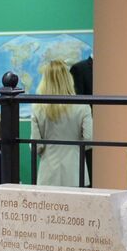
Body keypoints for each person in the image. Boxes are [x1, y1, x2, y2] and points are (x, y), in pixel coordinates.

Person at [32, 60, 92, 188]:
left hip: (48, 173)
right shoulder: (83, 106)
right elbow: (89, 140)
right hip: (76, 172)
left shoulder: (37, 108)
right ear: (69, 79)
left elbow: (36, 146)